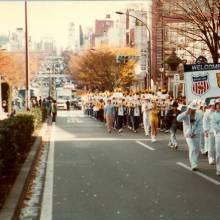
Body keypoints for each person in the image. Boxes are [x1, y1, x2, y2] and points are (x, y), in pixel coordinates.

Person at [177, 101, 203, 171]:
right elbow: (178, 119)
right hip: (188, 135)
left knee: (197, 149)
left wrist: (195, 132)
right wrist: (185, 113)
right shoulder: (185, 114)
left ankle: (195, 162)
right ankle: (193, 164)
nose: (193, 110)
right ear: (189, 108)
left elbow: (200, 125)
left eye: (194, 109)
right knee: (192, 148)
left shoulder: (199, 115)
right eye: (192, 109)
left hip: (197, 134)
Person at [203, 99, 216, 165]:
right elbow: (205, 122)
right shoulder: (207, 113)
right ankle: (211, 158)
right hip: (210, 131)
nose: (214, 106)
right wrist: (206, 131)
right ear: (210, 105)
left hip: (218, 131)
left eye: (215, 105)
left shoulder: (218, 112)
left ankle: (216, 158)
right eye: (213, 105)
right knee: (211, 146)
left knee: (217, 146)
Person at [210, 98, 220, 176]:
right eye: (217, 104)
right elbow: (214, 126)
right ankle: (218, 168)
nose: (219, 106)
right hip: (218, 135)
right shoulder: (213, 115)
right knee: (218, 153)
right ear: (215, 106)